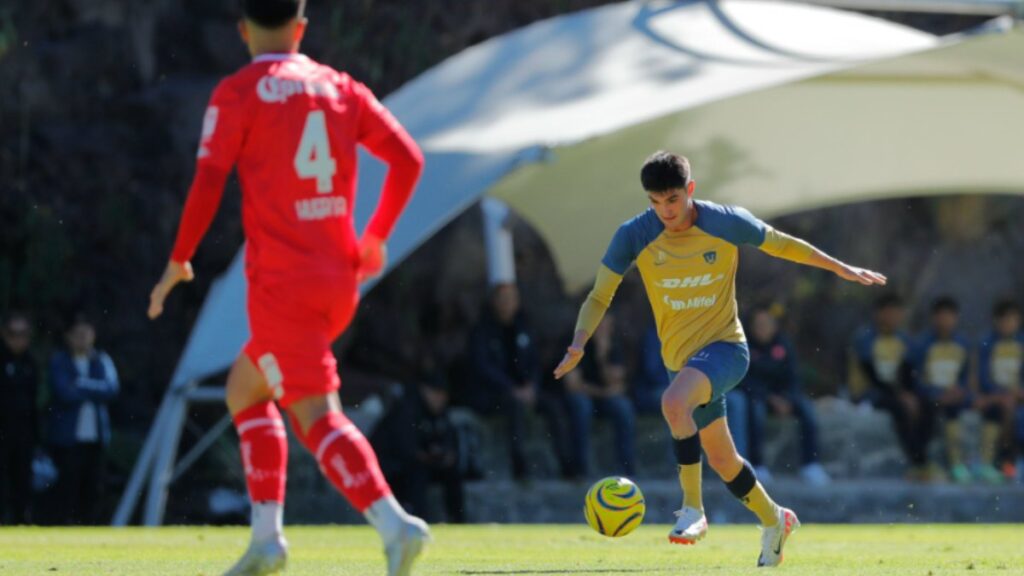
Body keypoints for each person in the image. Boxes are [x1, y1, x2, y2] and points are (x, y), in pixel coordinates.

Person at [146, 1, 427, 574]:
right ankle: (266, 539)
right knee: (245, 390)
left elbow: (207, 181)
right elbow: (408, 160)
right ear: (301, 29)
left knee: (317, 416)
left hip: (283, 284)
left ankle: (395, 525)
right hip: (339, 279)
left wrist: (179, 260)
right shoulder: (339, 85)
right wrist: (374, 238)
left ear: (244, 30)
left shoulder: (239, 90)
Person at [553, 151, 885, 567]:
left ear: (690, 190)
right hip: (682, 361)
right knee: (724, 460)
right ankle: (775, 519)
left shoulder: (726, 222)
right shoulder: (634, 234)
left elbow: (782, 244)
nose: (665, 212)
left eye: (672, 200)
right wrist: (579, 342)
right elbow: (600, 294)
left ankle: (692, 510)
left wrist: (841, 268)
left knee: (674, 404)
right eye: (655, 203)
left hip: (727, 349)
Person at [467, 283, 572, 480]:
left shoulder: (524, 327)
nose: (508, 303)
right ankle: (519, 465)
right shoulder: (482, 331)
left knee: (554, 406)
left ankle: (567, 464)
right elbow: (483, 367)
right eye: (503, 298)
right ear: (494, 302)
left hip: (525, 390)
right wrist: (511, 388)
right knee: (514, 407)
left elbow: (535, 362)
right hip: (495, 394)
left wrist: (532, 386)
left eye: (512, 298)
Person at [742, 306, 830, 486]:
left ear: (774, 326)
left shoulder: (783, 345)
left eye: (766, 324)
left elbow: (793, 376)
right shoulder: (744, 347)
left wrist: (788, 398)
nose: (762, 329)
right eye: (758, 325)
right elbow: (745, 380)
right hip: (759, 397)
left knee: (807, 410)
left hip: (784, 397)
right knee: (755, 413)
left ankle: (811, 464)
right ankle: (757, 465)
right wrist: (769, 398)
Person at [47, 313, 120, 525]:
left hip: (95, 439)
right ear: (68, 337)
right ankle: (64, 527)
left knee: (93, 489)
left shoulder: (101, 360)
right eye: (77, 334)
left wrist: (79, 383)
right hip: (68, 439)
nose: (82, 339)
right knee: (67, 486)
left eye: (86, 333)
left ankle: (89, 529)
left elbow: (111, 389)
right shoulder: (60, 361)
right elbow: (64, 393)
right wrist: (92, 388)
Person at [372, 360, 466, 524]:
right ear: (425, 390)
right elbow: (406, 451)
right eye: (436, 393)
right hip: (390, 466)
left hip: (420, 463)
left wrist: (445, 455)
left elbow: (447, 440)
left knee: (452, 472)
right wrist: (428, 456)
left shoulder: (440, 413)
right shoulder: (407, 409)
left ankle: (458, 520)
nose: (440, 399)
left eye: (443, 394)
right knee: (417, 474)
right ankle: (419, 520)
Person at [851, 294, 932, 481]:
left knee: (927, 405)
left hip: (897, 392)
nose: (894, 318)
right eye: (890, 313)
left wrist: (909, 394)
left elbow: (908, 372)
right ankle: (919, 462)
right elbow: (871, 375)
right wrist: (901, 395)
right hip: (871, 393)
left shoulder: (904, 340)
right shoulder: (865, 339)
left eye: (897, 313)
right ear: (879, 314)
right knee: (899, 408)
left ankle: (921, 460)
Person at [563, 313, 636, 477]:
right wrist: (602, 392)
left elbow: (617, 384)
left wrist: (602, 356)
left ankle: (627, 471)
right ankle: (581, 470)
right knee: (582, 406)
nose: (602, 327)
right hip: (582, 397)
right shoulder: (574, 343)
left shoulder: (613, 344)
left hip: (602, 398)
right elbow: (573, 385)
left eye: (606, 323)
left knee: (624, 408)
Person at [913, 297, 971, 483]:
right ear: (934, 318)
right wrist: (936, 393)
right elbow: (917, 377)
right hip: (932, 396)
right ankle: (923, 464)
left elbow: (969, 375)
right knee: (928, 411)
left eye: (949, 316)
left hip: (957, 395)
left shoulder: (963, 344)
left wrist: (961, 391)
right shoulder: (923, 344)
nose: (945, 321)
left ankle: (961, 465)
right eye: (941, 316)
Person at [975, 299, 1023, 482]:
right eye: (1005, 320)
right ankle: (1004, 462)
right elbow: (982, 376)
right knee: (1004, 411)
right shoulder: (987, 344)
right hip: (994, 397)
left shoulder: (1021, 343)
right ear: (996, 321)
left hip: (1016, 397)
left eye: (1013, 320)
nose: (1009, 325)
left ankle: (1009, 462)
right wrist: (998, 394)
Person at [0, 311, 40, 524]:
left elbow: (33, 402)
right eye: (13, 333)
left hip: (24, 434)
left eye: (23, 333)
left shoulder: (30, 363)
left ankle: (21, 521)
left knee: (22, 480)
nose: (18, 339)